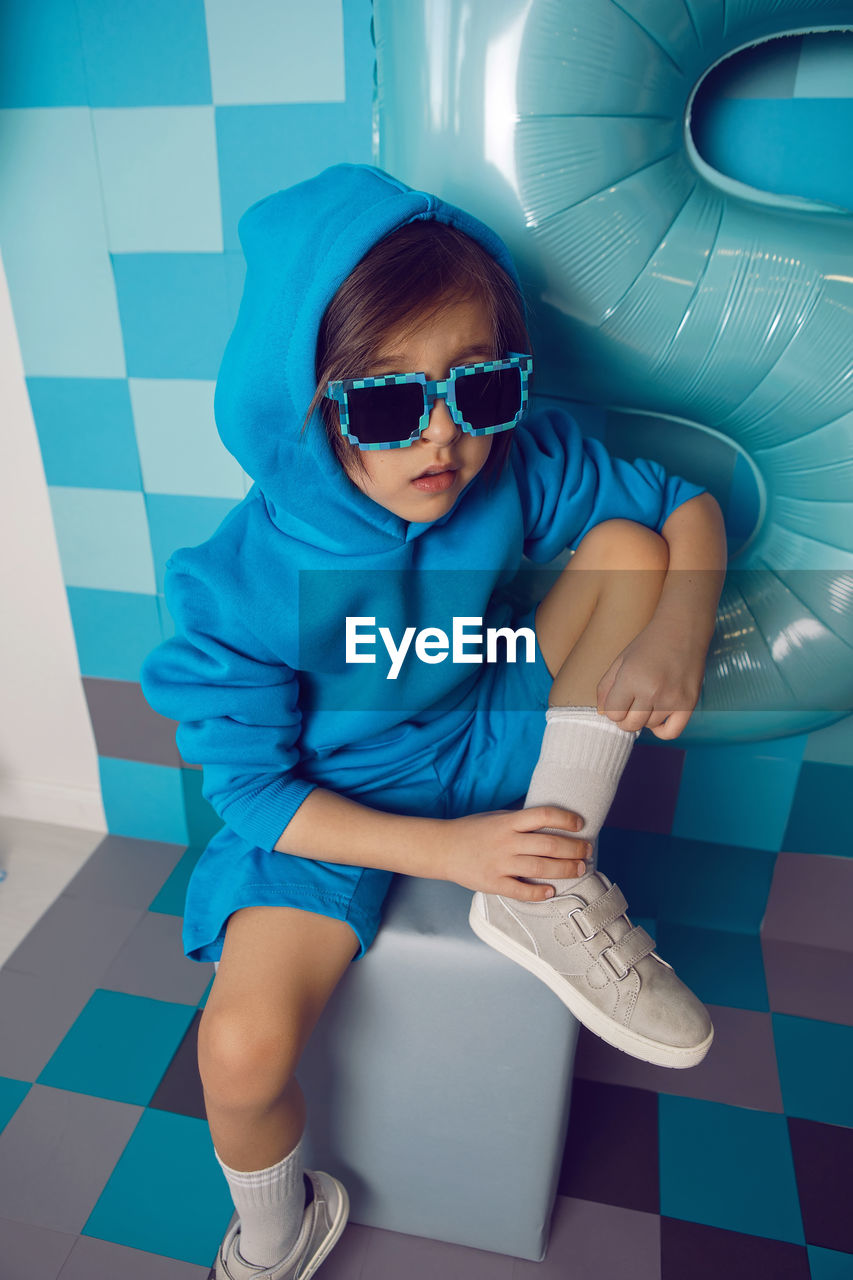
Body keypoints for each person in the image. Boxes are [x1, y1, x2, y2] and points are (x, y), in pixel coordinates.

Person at [140, 163, 727, 1279]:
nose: (443, 438)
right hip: (332, 803)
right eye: (386, 399)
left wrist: (675, 628)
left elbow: (677, 506)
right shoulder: (240, 580)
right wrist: (445, 851)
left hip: (486, 721)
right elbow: (254, 791)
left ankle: (552, 883)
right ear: (307, 404)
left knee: (628, 550)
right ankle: (274, 1237)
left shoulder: (512, 461)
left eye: (479, 388)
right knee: (240, 1046)